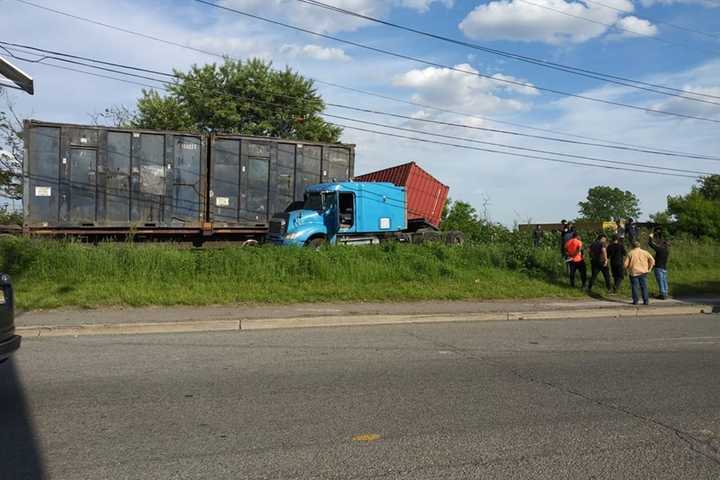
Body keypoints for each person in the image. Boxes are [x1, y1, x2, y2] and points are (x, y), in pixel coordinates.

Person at [624, 240, 655, 305]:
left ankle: (635, 301)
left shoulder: (630, 253)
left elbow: (625, 264)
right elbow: (652, 260)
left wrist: (626, 269)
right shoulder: (645, 252)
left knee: (635, 287)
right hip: (643, 272)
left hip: (634, 272)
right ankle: (646, 301)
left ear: (632, 246)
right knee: (644, 287)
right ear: (639, 246)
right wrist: (650, 268)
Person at [649, 232, 670, 299]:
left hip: (658, 267)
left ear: (662, 244)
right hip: (664, 268)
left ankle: (662, 294)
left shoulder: (660, 249)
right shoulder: (666, 251)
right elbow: (656, 246)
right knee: (664, 280)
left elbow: (651, 244)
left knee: (660, 281)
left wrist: (650, 238)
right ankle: (665, 292)